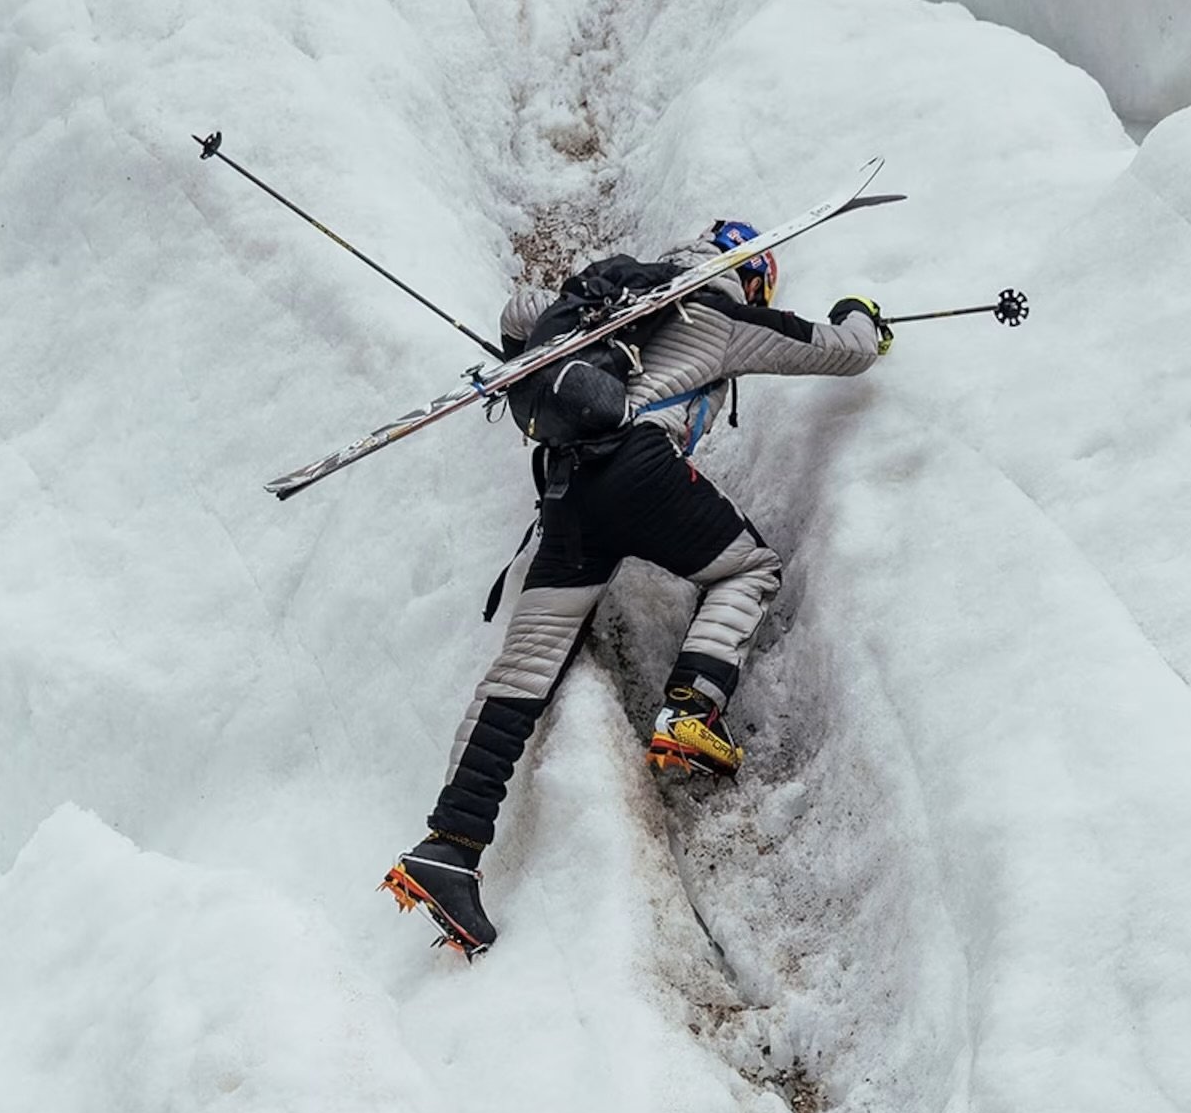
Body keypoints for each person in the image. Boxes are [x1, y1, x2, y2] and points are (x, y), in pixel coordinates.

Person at [382, 221, 893, 956]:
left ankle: (450, 845)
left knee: (521, 673)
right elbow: (838, 351)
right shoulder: (722, 315)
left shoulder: (608, 303)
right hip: (643, 470)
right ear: (752, 278)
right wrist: (861, 316)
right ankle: (690, 709)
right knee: (749, 567)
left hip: (567, 491)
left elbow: (520, 314)